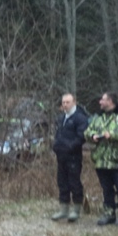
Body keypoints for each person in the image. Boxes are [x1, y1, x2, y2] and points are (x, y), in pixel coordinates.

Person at [84, 92, 118, 226]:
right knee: (106, 188)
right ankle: (109, 214)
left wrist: (113, 135)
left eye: (102, 100)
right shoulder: (98, 117)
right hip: (101, 159)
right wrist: (93, 136)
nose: (100, 102)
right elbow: (87, 131)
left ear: (110, 101)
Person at [51, 93, 89, 222]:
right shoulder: (61, 118)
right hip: (61, 156)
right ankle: (63, 209)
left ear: (74, 102)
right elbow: (57, 135)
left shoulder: (80, 118)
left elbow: (81, 138)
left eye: (67, 102)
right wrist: (56, 145)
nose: (65, 105)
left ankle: (76, 210)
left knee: (74, 182)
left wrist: (69, 147)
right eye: (63, 102)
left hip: (73, 156)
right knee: (62, 182)